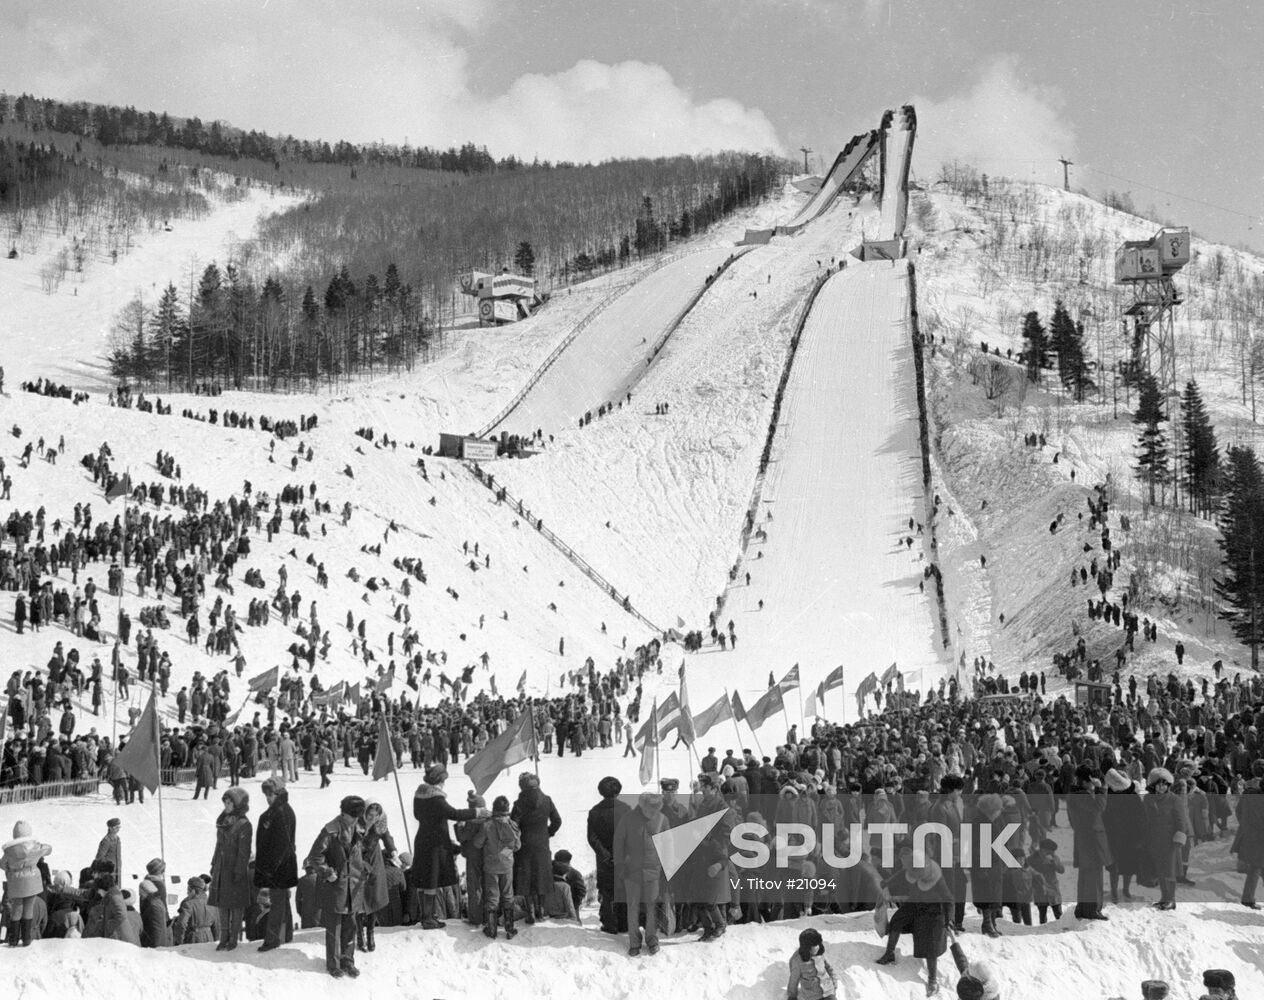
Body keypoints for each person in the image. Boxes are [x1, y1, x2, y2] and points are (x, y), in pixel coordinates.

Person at [412, 765, 487, 930]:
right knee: (432, 880)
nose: (444, 784)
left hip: (422, 839)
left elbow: (417, 815)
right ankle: (428, 918)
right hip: (435, 843)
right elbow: (454, 814)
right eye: (443, 780)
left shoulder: (419, 795)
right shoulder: (436, 798)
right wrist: (477, 812)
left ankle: (428, 915)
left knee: (426, 880)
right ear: (439, 780)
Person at [306, 795, 368, 979]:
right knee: (335, 927)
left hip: (354, 885)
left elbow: (362, 853)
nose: (356, 819)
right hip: (336, 886)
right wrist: (327, 872)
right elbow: (315, 856)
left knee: (351, 925)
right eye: (353, 816)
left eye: (358, 816)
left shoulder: (358, 827)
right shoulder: (330, 831)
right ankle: (333, 964)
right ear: (344, 813)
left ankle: (347, 960)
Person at [613, 790, 669, 957]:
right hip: (632, 872)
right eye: (649, 809)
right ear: (642, 806)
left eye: (655, 810)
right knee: (633, 907)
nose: (652, 813)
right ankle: (634, 941)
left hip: (653, 871)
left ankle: (652, 939)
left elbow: (668, 844)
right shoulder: (628, 819)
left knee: (652, 907)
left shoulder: (662, 819)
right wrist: (620, 864)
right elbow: (618, 842)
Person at [511, 772, 562, 924]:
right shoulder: (547, 800)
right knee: (541, 876)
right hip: (542, 844)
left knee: (526, 878)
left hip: (524, 844)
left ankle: (530, 911)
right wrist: (548, 832)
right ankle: (541, 910)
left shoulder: (518, 804)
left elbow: (514, 825)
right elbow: (557, 821)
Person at [254, 777, 297, 952]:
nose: (268, 798)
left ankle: (272, 940)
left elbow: (281, 844)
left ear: (278, 793)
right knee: (282, 902)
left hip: (279, 867)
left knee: (277, 902)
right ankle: (285, 935)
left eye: (270, 794)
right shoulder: (280, 810)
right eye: (266, 794)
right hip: (282, 865)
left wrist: (270, 869)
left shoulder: (281, 812)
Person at [209, 786, 253, 951]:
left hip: (235, 871)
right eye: (225, 802)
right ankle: (223, 938)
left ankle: (233, 938)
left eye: (229, 803)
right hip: (221, 869)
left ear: (238, 805)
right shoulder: (222, 822)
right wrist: (214, 865)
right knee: (222, 905)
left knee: (235, 906)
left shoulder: (244, 824)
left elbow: (244, 852)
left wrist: (239, 871)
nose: (226, 805)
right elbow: (218, 846)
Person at [1066, 765, 1111, 920]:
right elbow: (1099, 807)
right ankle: (1093, 909)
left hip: (1084, 838)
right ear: (1087, 781)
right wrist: (1101, 789)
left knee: (1086, 875)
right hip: (1092, 839)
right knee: (1094, 875)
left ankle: (1083, 908)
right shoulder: (1082, 795)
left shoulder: (1074, 794)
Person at [474, 795, 521, 939]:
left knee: (492, 898)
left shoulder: (487, 825)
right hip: (507, 865)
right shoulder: (512, 825)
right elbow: (518, 846)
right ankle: (509, 929)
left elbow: (477, 843)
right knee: (508, 896)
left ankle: (492, 929)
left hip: (491, 866)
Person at [587, 776, 630, 934]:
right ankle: (624, 923)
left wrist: (605, 855)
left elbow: (592, 838)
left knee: (607, 890)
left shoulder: (595, 812)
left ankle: (609, 924)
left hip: (604, 860)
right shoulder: (626, 809)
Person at [1143, 768, 1190, 911]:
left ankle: (1171, 900)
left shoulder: (1174, 800)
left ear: (1168, 785)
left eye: (1164, 784)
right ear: (1153, 785)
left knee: (1170, 871)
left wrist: (1179, 836)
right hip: (1153, 839)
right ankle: (1164, 898)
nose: (1161, 787)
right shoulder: (1148, 798)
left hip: (1170, 840)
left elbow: (1181, 820)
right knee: (1160, 870)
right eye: (1158, 784)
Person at [1, 821, 52, 947]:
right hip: (32, 881)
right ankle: (26, 939)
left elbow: (2, 864)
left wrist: (9, 870)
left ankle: (13, 940)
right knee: (28, 908)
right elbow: (49, 849)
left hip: (16, 882)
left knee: (16, 909)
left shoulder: (9, 851)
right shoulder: (35, 847)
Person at [359, 801, 397, 951]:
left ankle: (370, 932)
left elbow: (387, 837)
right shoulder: (357, 823)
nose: (372, 818)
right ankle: (358, 933)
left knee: (373, 896)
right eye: (370, 815)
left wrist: (393, 851)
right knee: (357, 897)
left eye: (375, 815)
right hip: (358, 859)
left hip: (374, 860)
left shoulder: (380, 823)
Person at [787, 926, 837, 1000]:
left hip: (828, 991)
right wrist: (792, 997)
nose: (818, 947)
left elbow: (829, 968)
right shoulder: (797, 960)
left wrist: (834, 982)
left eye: (818, 944)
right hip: (812, 996)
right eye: (815, 945)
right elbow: (793, 980)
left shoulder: (819, 954)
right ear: (807, 947)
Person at [172, 876, 218, 944]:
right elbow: (216, 927)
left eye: (188, 890)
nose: (187, 893)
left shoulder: (188, 904)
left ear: (192, 891)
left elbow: (181, 923)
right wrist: (216, 942)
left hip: (193, 938)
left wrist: (179, 941)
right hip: (209, 938)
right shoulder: (212, 904)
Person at [139, 879, 172, 948]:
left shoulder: (153, 905)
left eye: (140, 891)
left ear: (145, 891)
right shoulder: (155, 901)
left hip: (155, 943)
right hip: (153, 941)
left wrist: (154, 947)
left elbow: (156, 929)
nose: (139, 894)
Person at [95, 818, 122, 882]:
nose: (118, 829)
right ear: (110, 828)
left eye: (119, 827)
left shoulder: (117, 839)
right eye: (116, 827)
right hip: (108, 872)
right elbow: (99, 858)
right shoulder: (106, 840)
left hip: (117, 870)